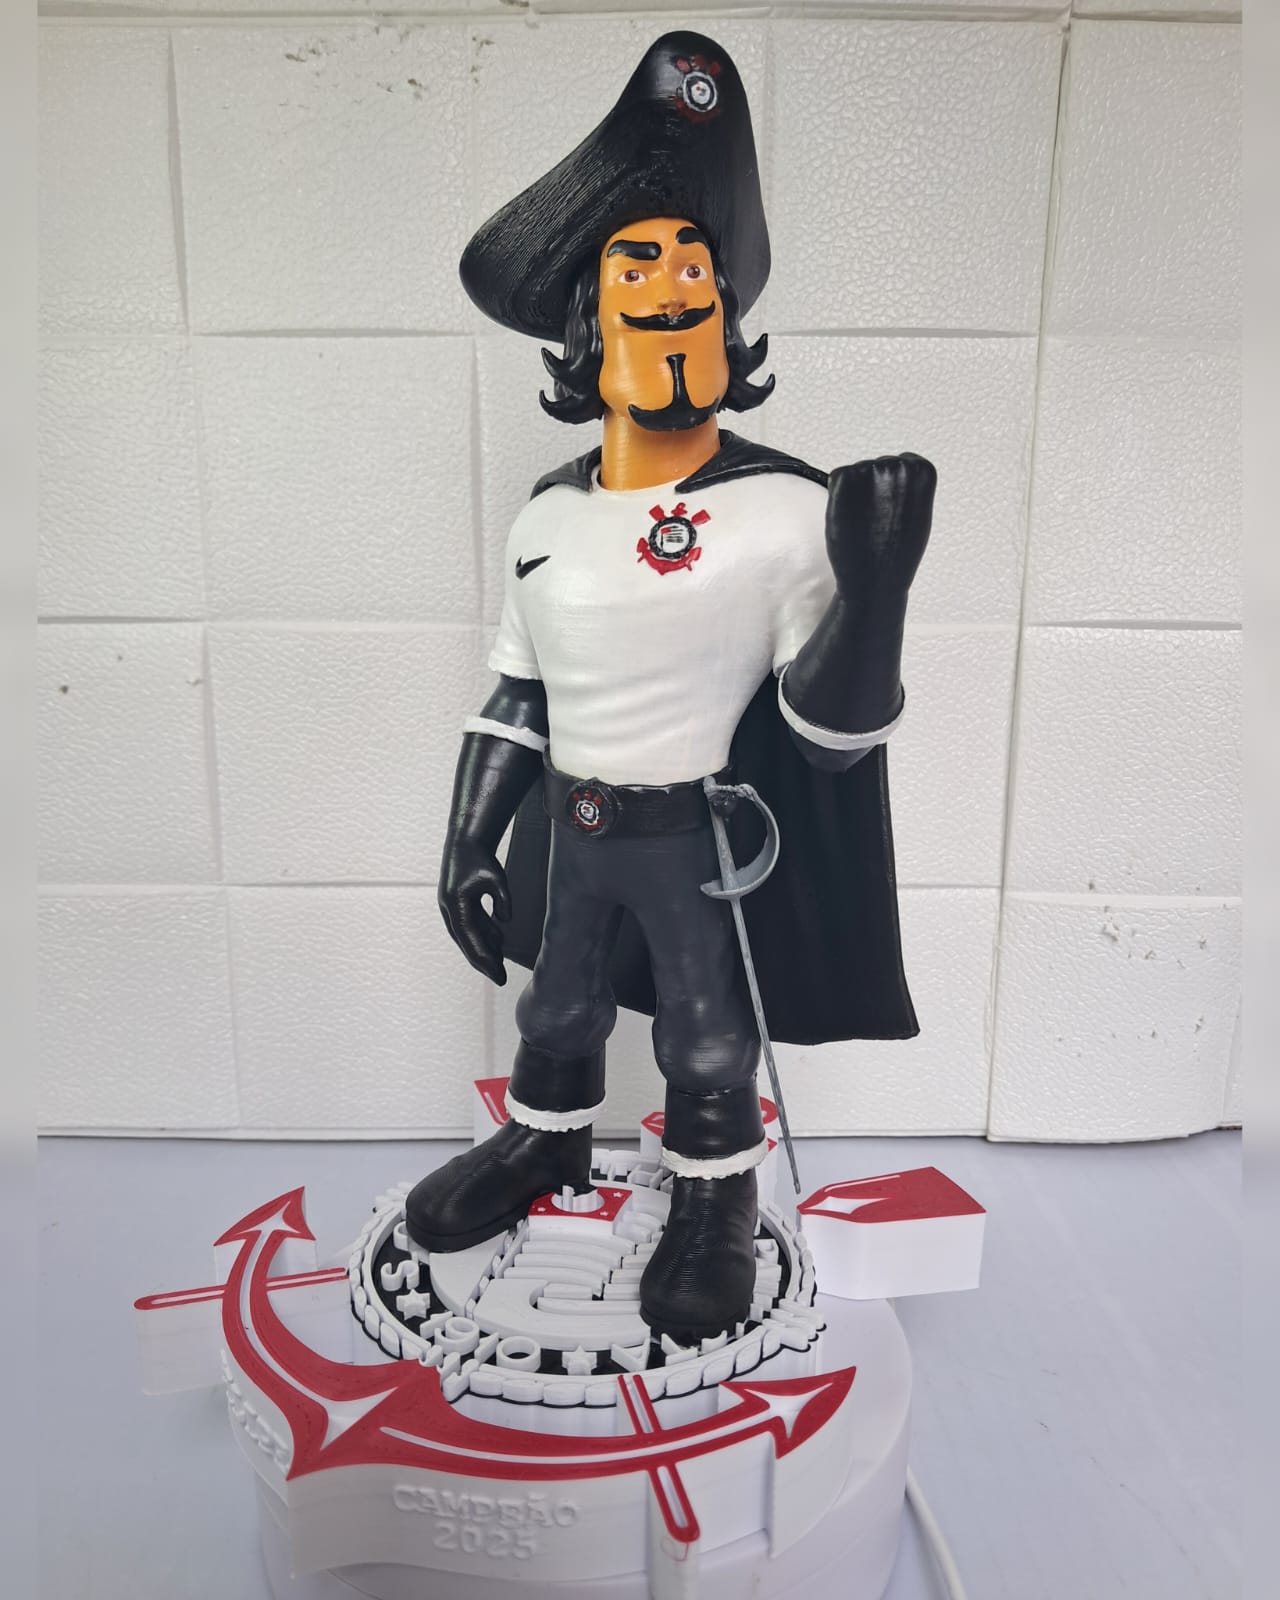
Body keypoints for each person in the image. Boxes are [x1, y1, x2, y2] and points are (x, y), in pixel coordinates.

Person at [406, 32, 935, 1345]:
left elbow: (827, 737)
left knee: (707, 1031)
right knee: (557, 1002)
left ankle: (715, 1195)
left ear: (727, 321)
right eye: (636, 266)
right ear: (588, 326)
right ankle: (546, 1138)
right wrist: (470, 836)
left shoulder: (787, 512)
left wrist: (874, 589)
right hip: (571, 827)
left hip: (701, 837)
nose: (672, 285)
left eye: (695, 267)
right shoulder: (546, 516)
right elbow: (516, 692)